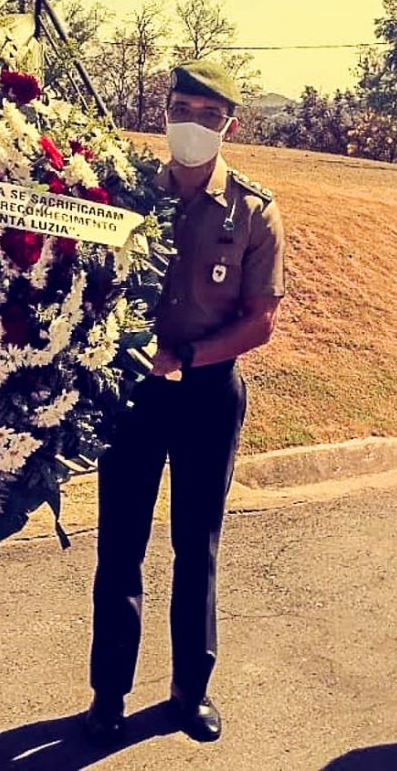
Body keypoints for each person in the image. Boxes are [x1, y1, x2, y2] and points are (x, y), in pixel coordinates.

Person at [85, 60, 286, 745]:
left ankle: (189, 691)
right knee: (119, 547)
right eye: (180, 108)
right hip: (136, 394)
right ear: (165, 112)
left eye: (207, 114)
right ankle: (107, 694)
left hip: (206, 393)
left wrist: (188, 358)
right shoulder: (131, 196)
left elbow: (260, 320)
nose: (191, 124)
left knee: (194, 547)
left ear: (229, 124)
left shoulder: (254, 210)